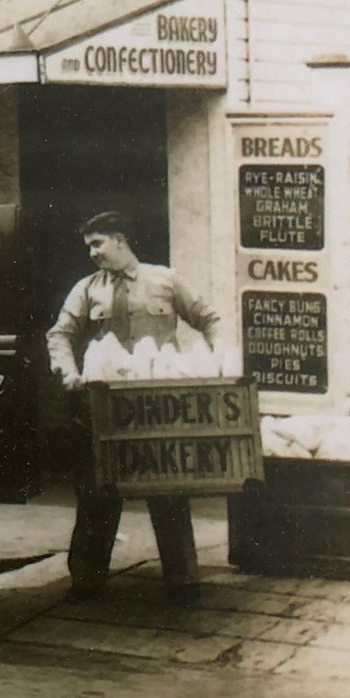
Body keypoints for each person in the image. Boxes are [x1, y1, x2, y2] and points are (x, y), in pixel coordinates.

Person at [45, 211, 223, 605]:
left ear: (120, 240)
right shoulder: (87, 289)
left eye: (98, 244)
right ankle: (87, 581)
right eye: (88, 246)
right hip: (105, 405)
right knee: (98, 488)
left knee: (167, 486)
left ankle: (183, 581)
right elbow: (60, 334)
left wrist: (214, 365)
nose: (92, 253)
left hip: (158, 404)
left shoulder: (165, 279)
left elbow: (210, 318)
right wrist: (69, 373)